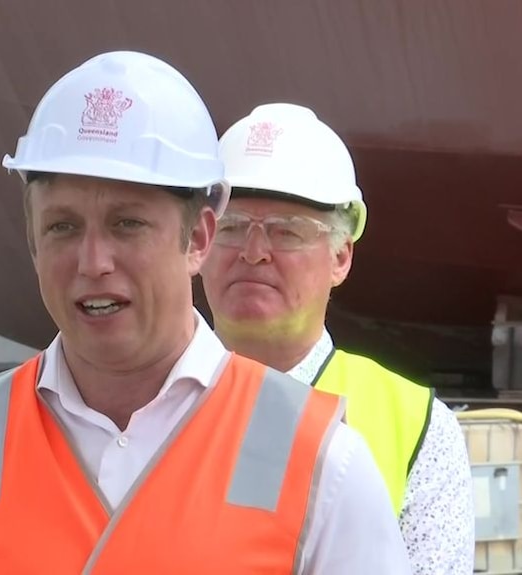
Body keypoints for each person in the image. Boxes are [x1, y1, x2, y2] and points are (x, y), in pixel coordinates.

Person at [0, 52, 411, 574]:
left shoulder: (320, 464)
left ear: (197, 237)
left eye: (127, 224)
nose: (93, 262)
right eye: (63, 226)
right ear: (31, 240)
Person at [201, 102, 474, 574]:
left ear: (340, 258)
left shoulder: (418, 428)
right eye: (232, 227)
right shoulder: (140, 402)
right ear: (198, 243)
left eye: (286, 232)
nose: (253, 252)